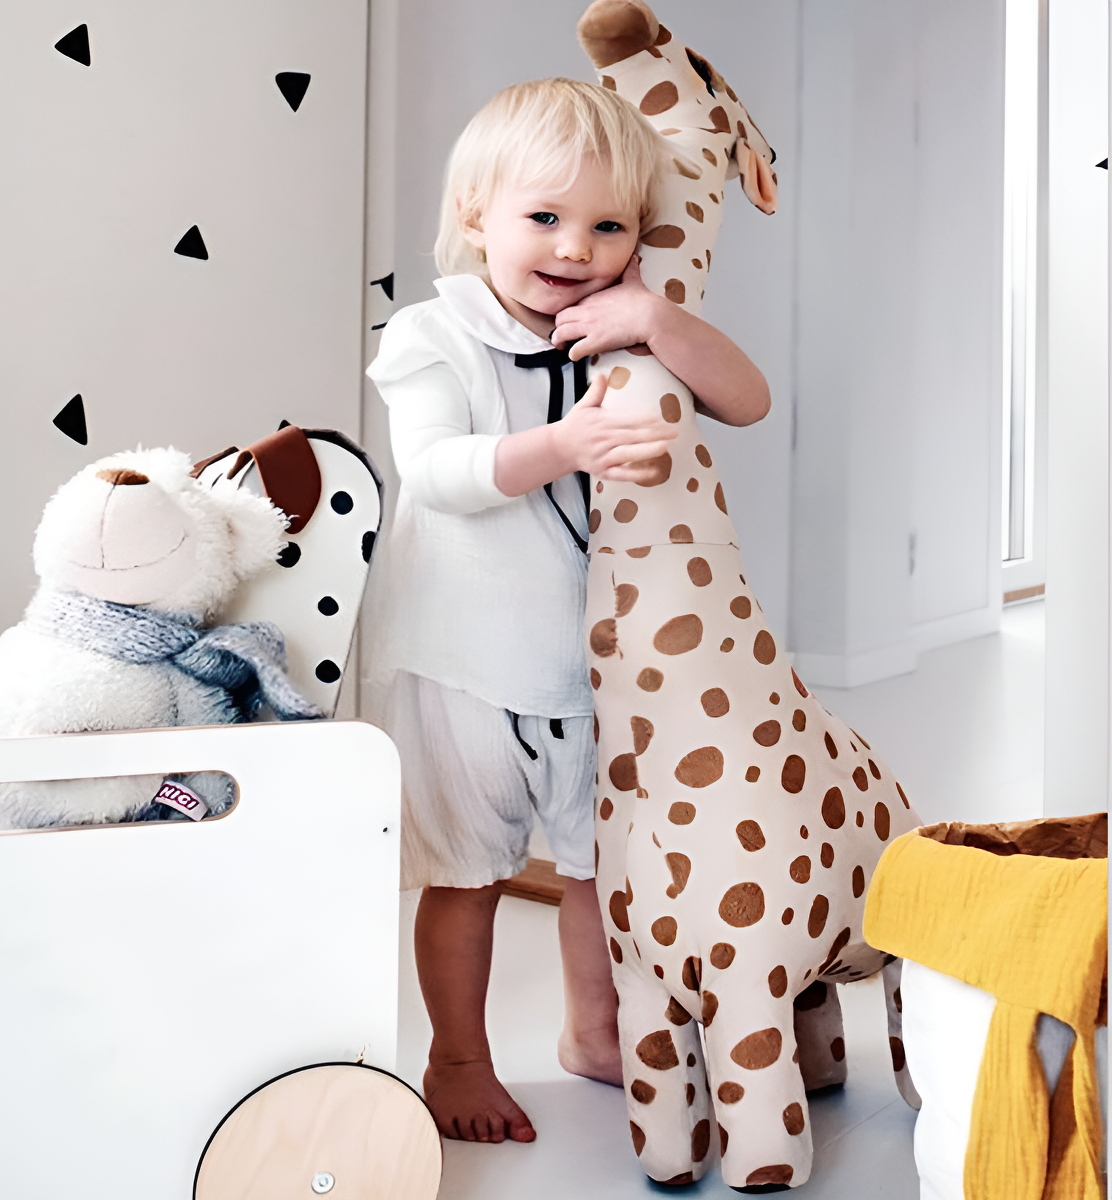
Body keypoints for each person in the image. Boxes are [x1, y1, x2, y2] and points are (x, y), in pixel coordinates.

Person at [364, 78, 770, 1146]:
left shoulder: (622, 328)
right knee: (469, 874)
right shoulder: (431, 335)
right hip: (465, 662)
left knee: (600, 867)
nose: (575, 248)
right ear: (475, 215)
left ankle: (596, 1032)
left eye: (608, 226)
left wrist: (656, 318)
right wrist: (562, 446)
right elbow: (434, 472)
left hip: (594, 665)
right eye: (544, 216)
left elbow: (748, 400)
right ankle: (457, 1056)